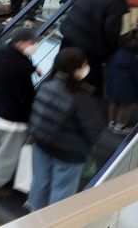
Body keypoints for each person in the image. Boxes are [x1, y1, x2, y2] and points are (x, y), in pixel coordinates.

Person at [25, 48, 104, 211]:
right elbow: (95, 130)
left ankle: (35, 214)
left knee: (40, 179)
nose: (86, 67)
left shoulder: (46, 83)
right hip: (68, 152)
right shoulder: (82, 98)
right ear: (76, 70)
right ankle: (56, 220)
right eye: (84, 65)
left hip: (41, 143)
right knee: (63, 189)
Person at [0, 27, 39, 196]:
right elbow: (26, 97)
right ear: (20, 44)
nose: (35, 45)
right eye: (32, 42)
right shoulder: (19, 66)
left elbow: (17, 64)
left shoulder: (1, 53)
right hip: (14, 117)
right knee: (9, 154)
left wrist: (32, 68)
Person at [60, 0, 138, 95]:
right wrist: (113, 49)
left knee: (64, 71)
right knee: (89, 82)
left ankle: (60, 92)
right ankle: (85, 103)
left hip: (69, 35)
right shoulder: (117, 3)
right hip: (87, 47)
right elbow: (110, 32)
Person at [107, 29, 138, 135]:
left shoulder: (115, 56)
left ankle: (111, 122)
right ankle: (120, 126)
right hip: (128, 94)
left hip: (112, 88)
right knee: (125, 109)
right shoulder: (135, 63)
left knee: (113, 104)